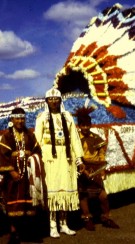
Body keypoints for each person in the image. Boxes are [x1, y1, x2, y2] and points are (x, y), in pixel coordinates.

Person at [34, 88, 85, 238]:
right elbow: (37, 140)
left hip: (66, 158)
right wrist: (37, 160)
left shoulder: (67, 116)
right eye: (51, 99)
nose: (54, 101)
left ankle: (64, 224)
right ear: (47, 101)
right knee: (53, 191)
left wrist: (79, 159)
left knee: (65, 189)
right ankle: (52, 226)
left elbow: (74, 138)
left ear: (60, 100)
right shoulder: (42, 117)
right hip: (49, 159)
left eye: (56, 99)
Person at [0, 107, 43, 244]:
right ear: (12, 119)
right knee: (13, 204)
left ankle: (28, 233)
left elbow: (37, 151)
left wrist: (34, 162)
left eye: (22, 118)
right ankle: (14, 233)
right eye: (17, 118)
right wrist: (11, 172)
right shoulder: (7, 136)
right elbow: (3, 155)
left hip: (28, 176)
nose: (20, 121)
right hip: (13, 178)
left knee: (28, 205)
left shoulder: (30, 135)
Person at [73, 106, 119, 231]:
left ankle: (106, 218)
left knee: (102, 195)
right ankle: (87, 219)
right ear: (79, 125)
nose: (86, 128)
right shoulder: (75, 138)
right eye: (83, 125)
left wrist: (102, 168)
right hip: (81, 168)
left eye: (88, 125)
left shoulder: (95, 137)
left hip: (96, 168)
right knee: (83, 195)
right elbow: (72, 153)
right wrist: (80, 166)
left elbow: (101, 153)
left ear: (91, 125)